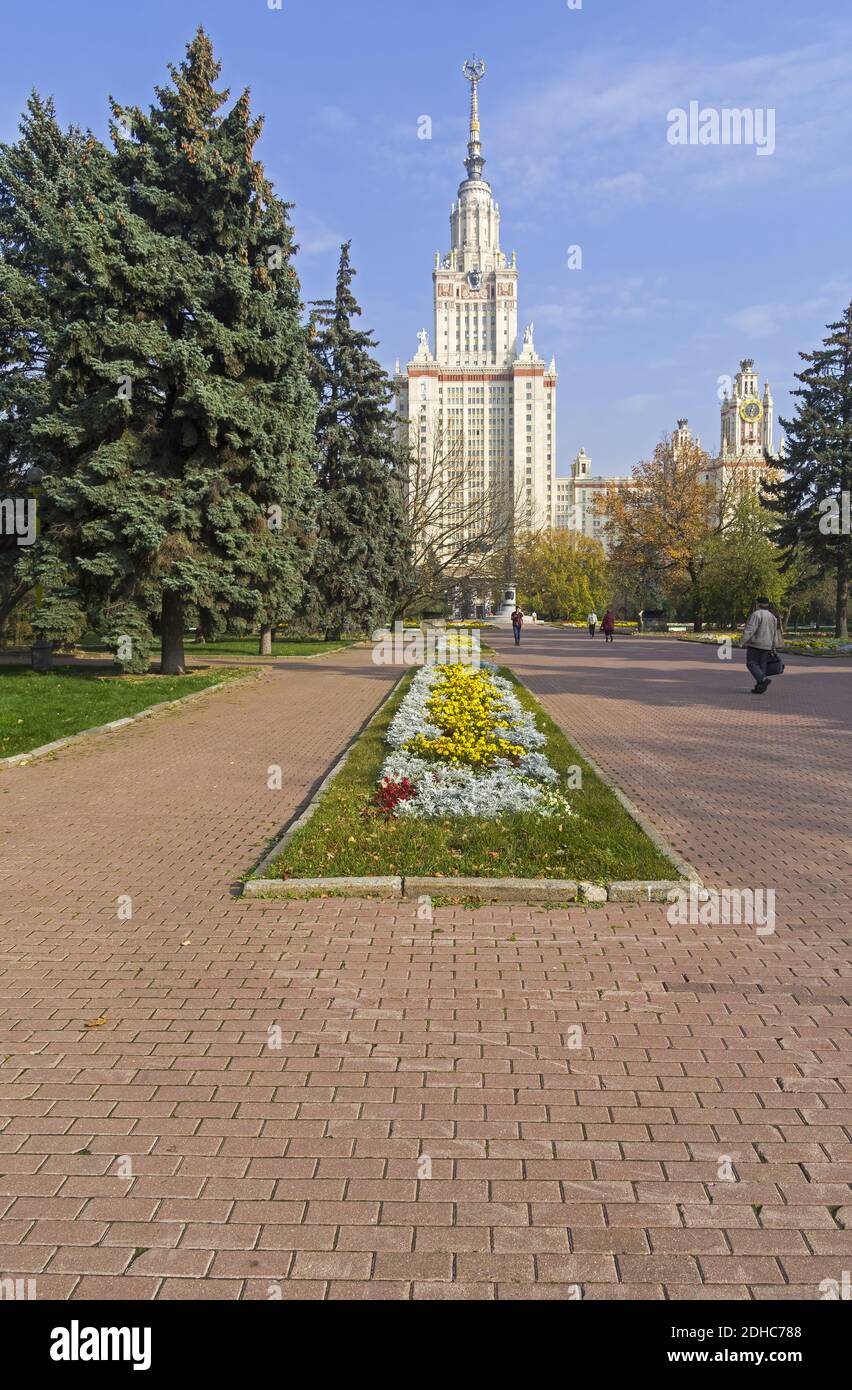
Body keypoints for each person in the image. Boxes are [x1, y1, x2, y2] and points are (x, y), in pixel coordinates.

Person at [742, 597, 781, 695]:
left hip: (756, 644)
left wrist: (742, 641)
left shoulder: (756, 614)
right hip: (767, 645)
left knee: (751, 663)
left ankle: (763, 680)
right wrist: (774, 644)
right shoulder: (772, 617)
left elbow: (750, 629)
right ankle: (760, 687)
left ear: (757, 604)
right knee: (762, 666)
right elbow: (774, 633)